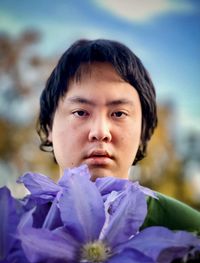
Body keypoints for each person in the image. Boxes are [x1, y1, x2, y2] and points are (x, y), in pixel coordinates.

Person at [37, 38, 200, 232]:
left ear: (143, 130)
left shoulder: (189, 232)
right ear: (49, 127)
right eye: (80, 112)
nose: (100, 132)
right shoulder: (11, 229)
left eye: (119, 114)